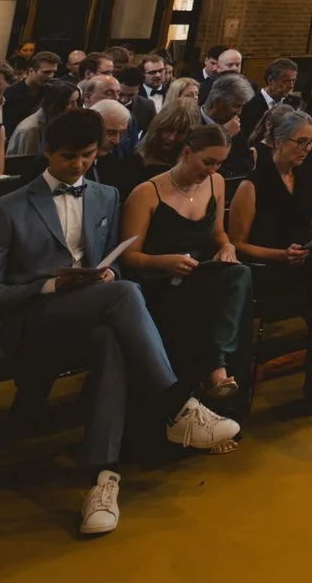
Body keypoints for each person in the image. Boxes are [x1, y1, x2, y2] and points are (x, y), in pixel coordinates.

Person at [0, 108, 240, 535]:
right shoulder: (6, 209)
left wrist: (107, 273)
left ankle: (103, 479)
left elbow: (116, 263)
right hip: (28, 321)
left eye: (88, 156)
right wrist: (52, 288)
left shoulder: (105, 195)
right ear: (47, 151)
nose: (78, 166)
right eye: (69, 157)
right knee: (125, 295)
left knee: (111, 338)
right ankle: (176, 406)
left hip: (90, 315)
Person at [119, 123, 251, 412]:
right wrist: (165, 262)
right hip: (157, 282)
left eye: (219, 163)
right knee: (219, 302)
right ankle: (212, 376)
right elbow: (129, 257)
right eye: (208, 161)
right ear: (187, 152)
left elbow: (216, 234)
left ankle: (217, 366)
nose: (213, 170)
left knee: (240, 273)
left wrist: (227, 246)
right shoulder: (147, 192)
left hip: (195, 273)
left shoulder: (215, 183)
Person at [230, 106, 312, 410]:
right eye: (301, 142)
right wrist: (280, 255)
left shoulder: (311, 174)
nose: (308, 149)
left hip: (305, 261)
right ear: (278, 141)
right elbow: (238, 244)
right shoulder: (253, 183)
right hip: (267, 266)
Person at [7, 78, 77, 158]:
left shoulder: (61, 121)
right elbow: (25, 164)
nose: (75, 107)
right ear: (55, 104)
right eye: (69, 103)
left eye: (76, 101)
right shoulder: (30, 129)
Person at [1, 51, 63, 134]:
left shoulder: (51, 92)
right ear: (31, 71)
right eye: (46, 72)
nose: (51, 76)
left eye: (53, 72)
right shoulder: (11, 93)